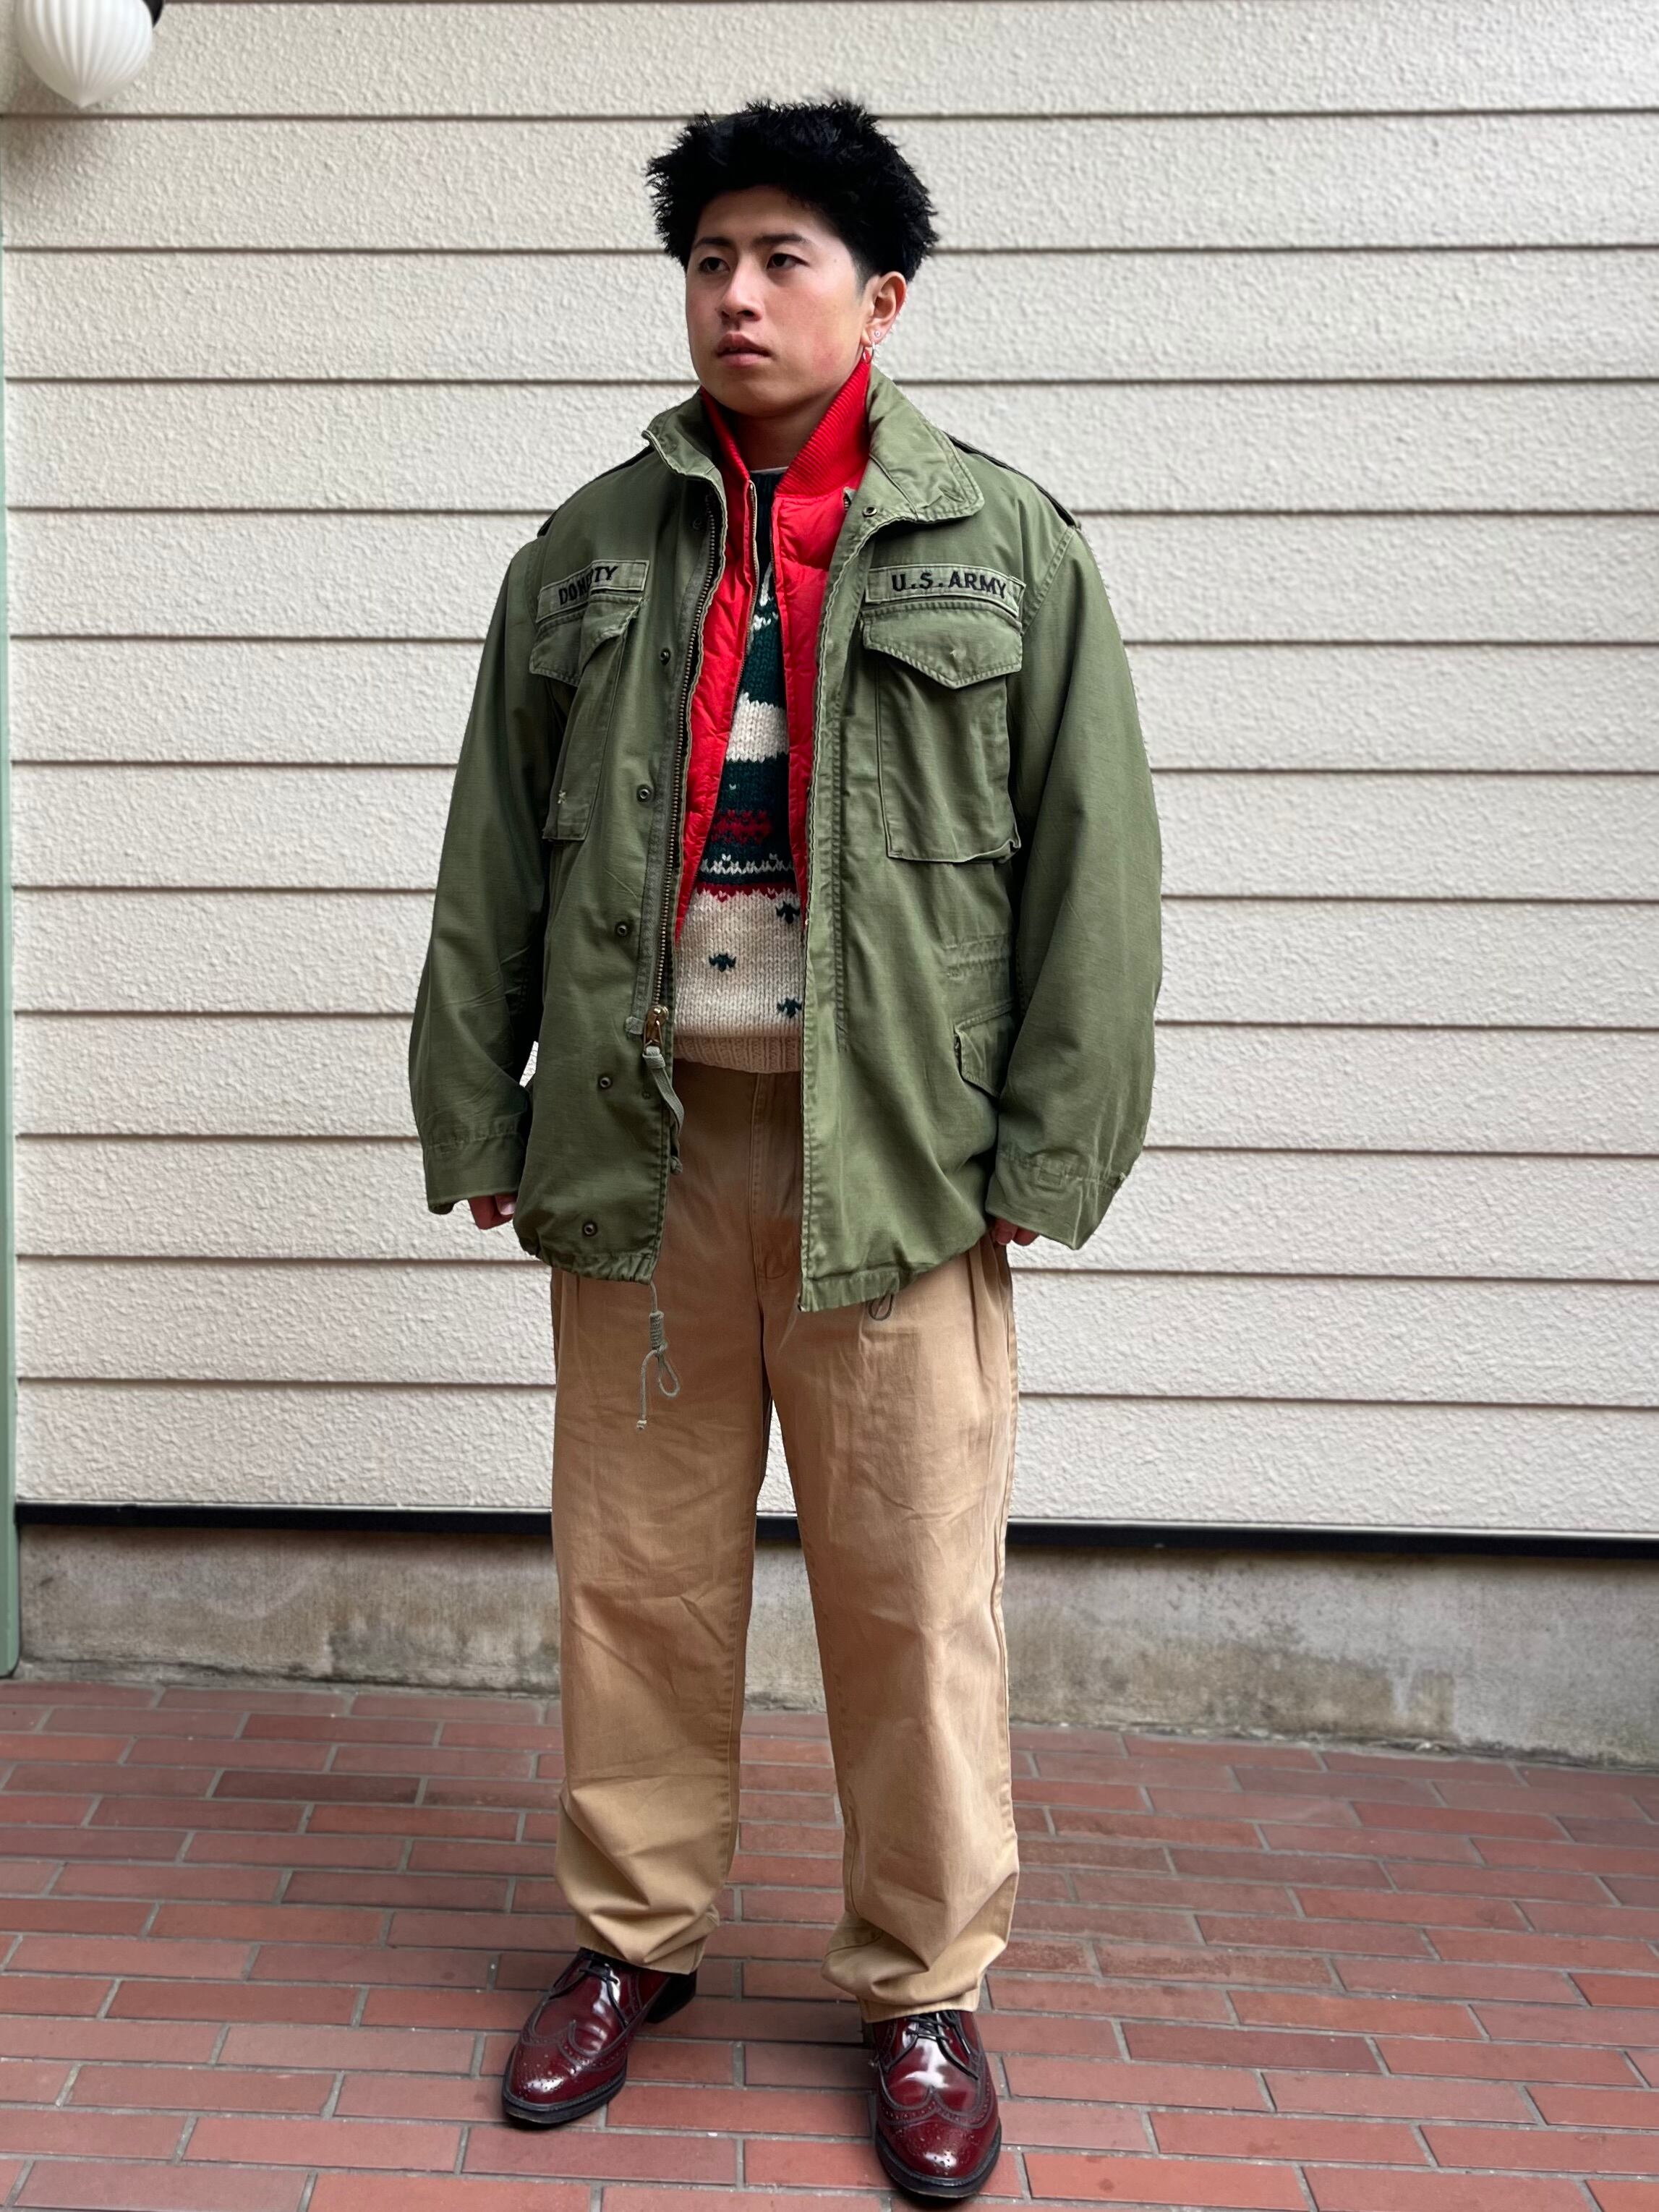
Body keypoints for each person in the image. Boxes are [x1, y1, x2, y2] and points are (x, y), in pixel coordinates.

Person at [409, 93, 1162, 2205]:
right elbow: (491, 851)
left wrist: (1051, 1150)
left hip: (895, 1167)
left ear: (881, 299)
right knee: (638, 1581)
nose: (736, 295)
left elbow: (1098, 873)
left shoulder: (1009, 548)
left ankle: (924, 1985)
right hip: (646, 1150)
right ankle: (631, 1939)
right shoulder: (585, 551)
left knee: (914, 1595)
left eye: (785, 260)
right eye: (710, 259)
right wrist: (479, 1105)